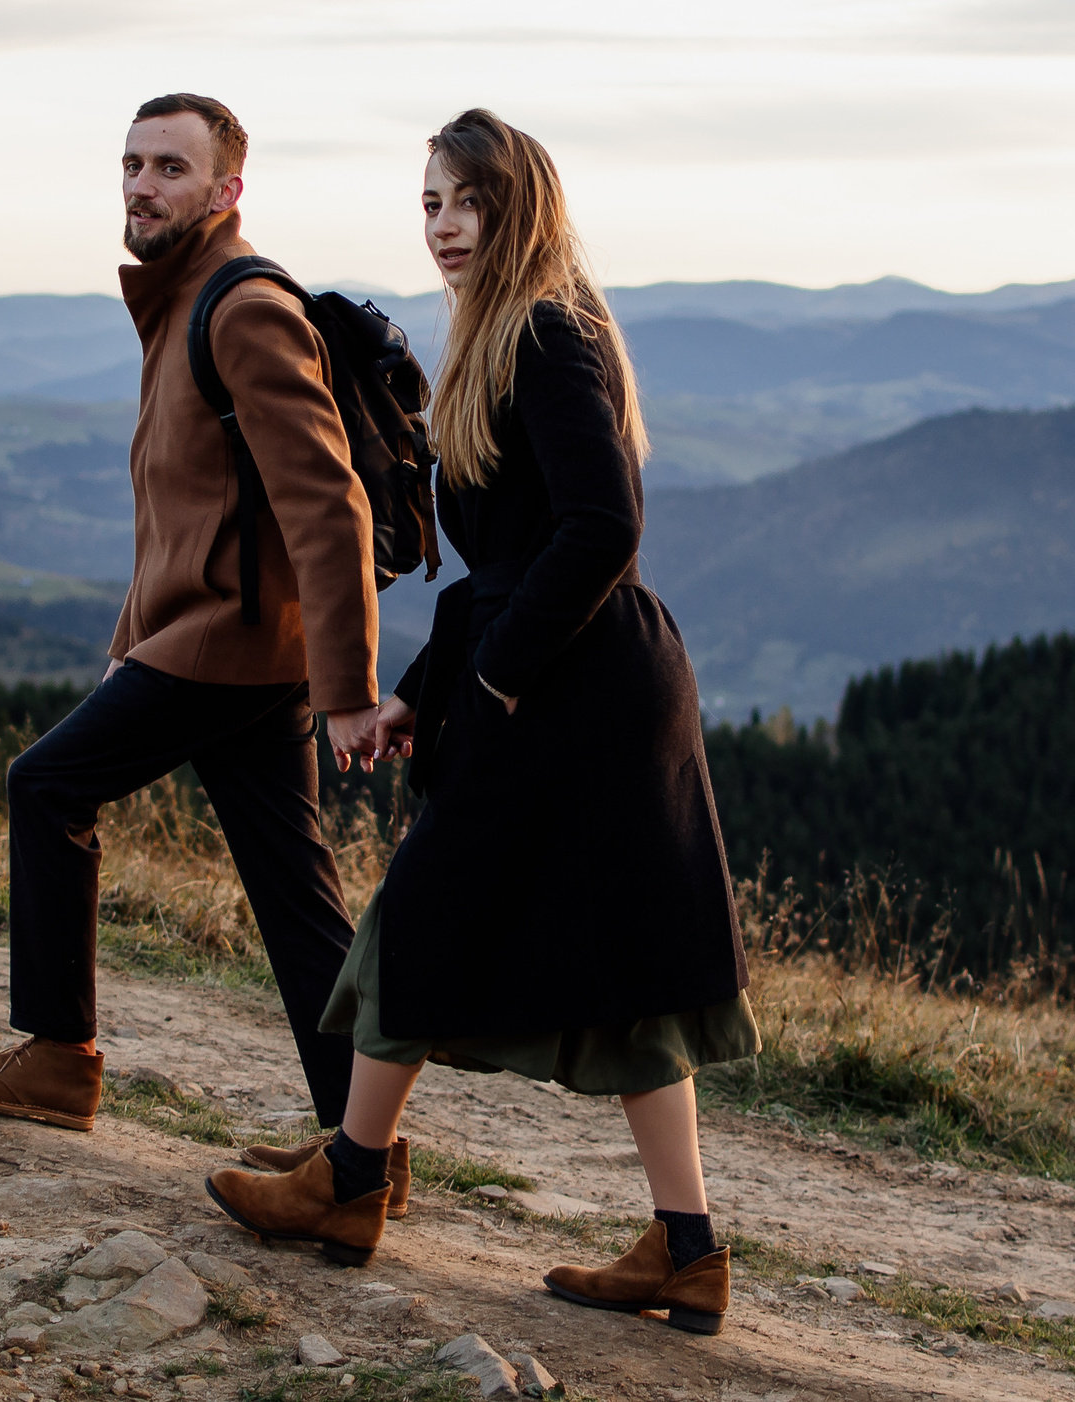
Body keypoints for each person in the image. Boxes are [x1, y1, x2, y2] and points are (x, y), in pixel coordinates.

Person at [204, 109, 757, 1336]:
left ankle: (348, 1180)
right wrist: (429, 687)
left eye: (467, 202)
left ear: (521, 208)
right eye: (430, 204)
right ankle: (686, 1246)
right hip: (572, 678)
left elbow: (603, 526)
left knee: (422, 908)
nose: (445, 226)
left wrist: (494, 681)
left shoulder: (551, 334)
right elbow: (500, 563)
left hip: (578, 691)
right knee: (618, 966)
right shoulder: (509, 333)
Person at [0, 93, 387, 1134]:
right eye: (132, 164)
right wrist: (129, 645)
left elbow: (326, 503)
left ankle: (56, 1056)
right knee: (293, 893)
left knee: (45, 785)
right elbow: (187, 511)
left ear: (226, 188)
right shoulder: (179, 300)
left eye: (171, 167)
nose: (142, 184)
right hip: (228, 642)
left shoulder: (243, 307)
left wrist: (350, 688)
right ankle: (360, 1149)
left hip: (226, 645)